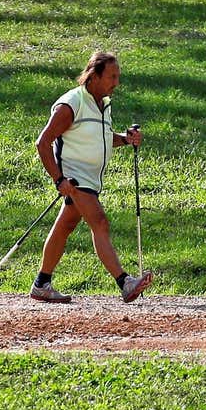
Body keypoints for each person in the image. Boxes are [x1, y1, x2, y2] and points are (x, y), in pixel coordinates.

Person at [30, 51, 153, 303]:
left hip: (91, 180)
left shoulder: (103, 104)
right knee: (100, 222)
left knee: (65, 226)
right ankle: (125, 282)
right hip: (75, 179)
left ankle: (42, 283)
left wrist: (126, 139)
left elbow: (103, 138)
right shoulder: (71, 104)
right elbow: (43, 143)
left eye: (118, 76)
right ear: (94, 75)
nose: (116, 82)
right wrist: (58, 179)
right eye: (112, 76)